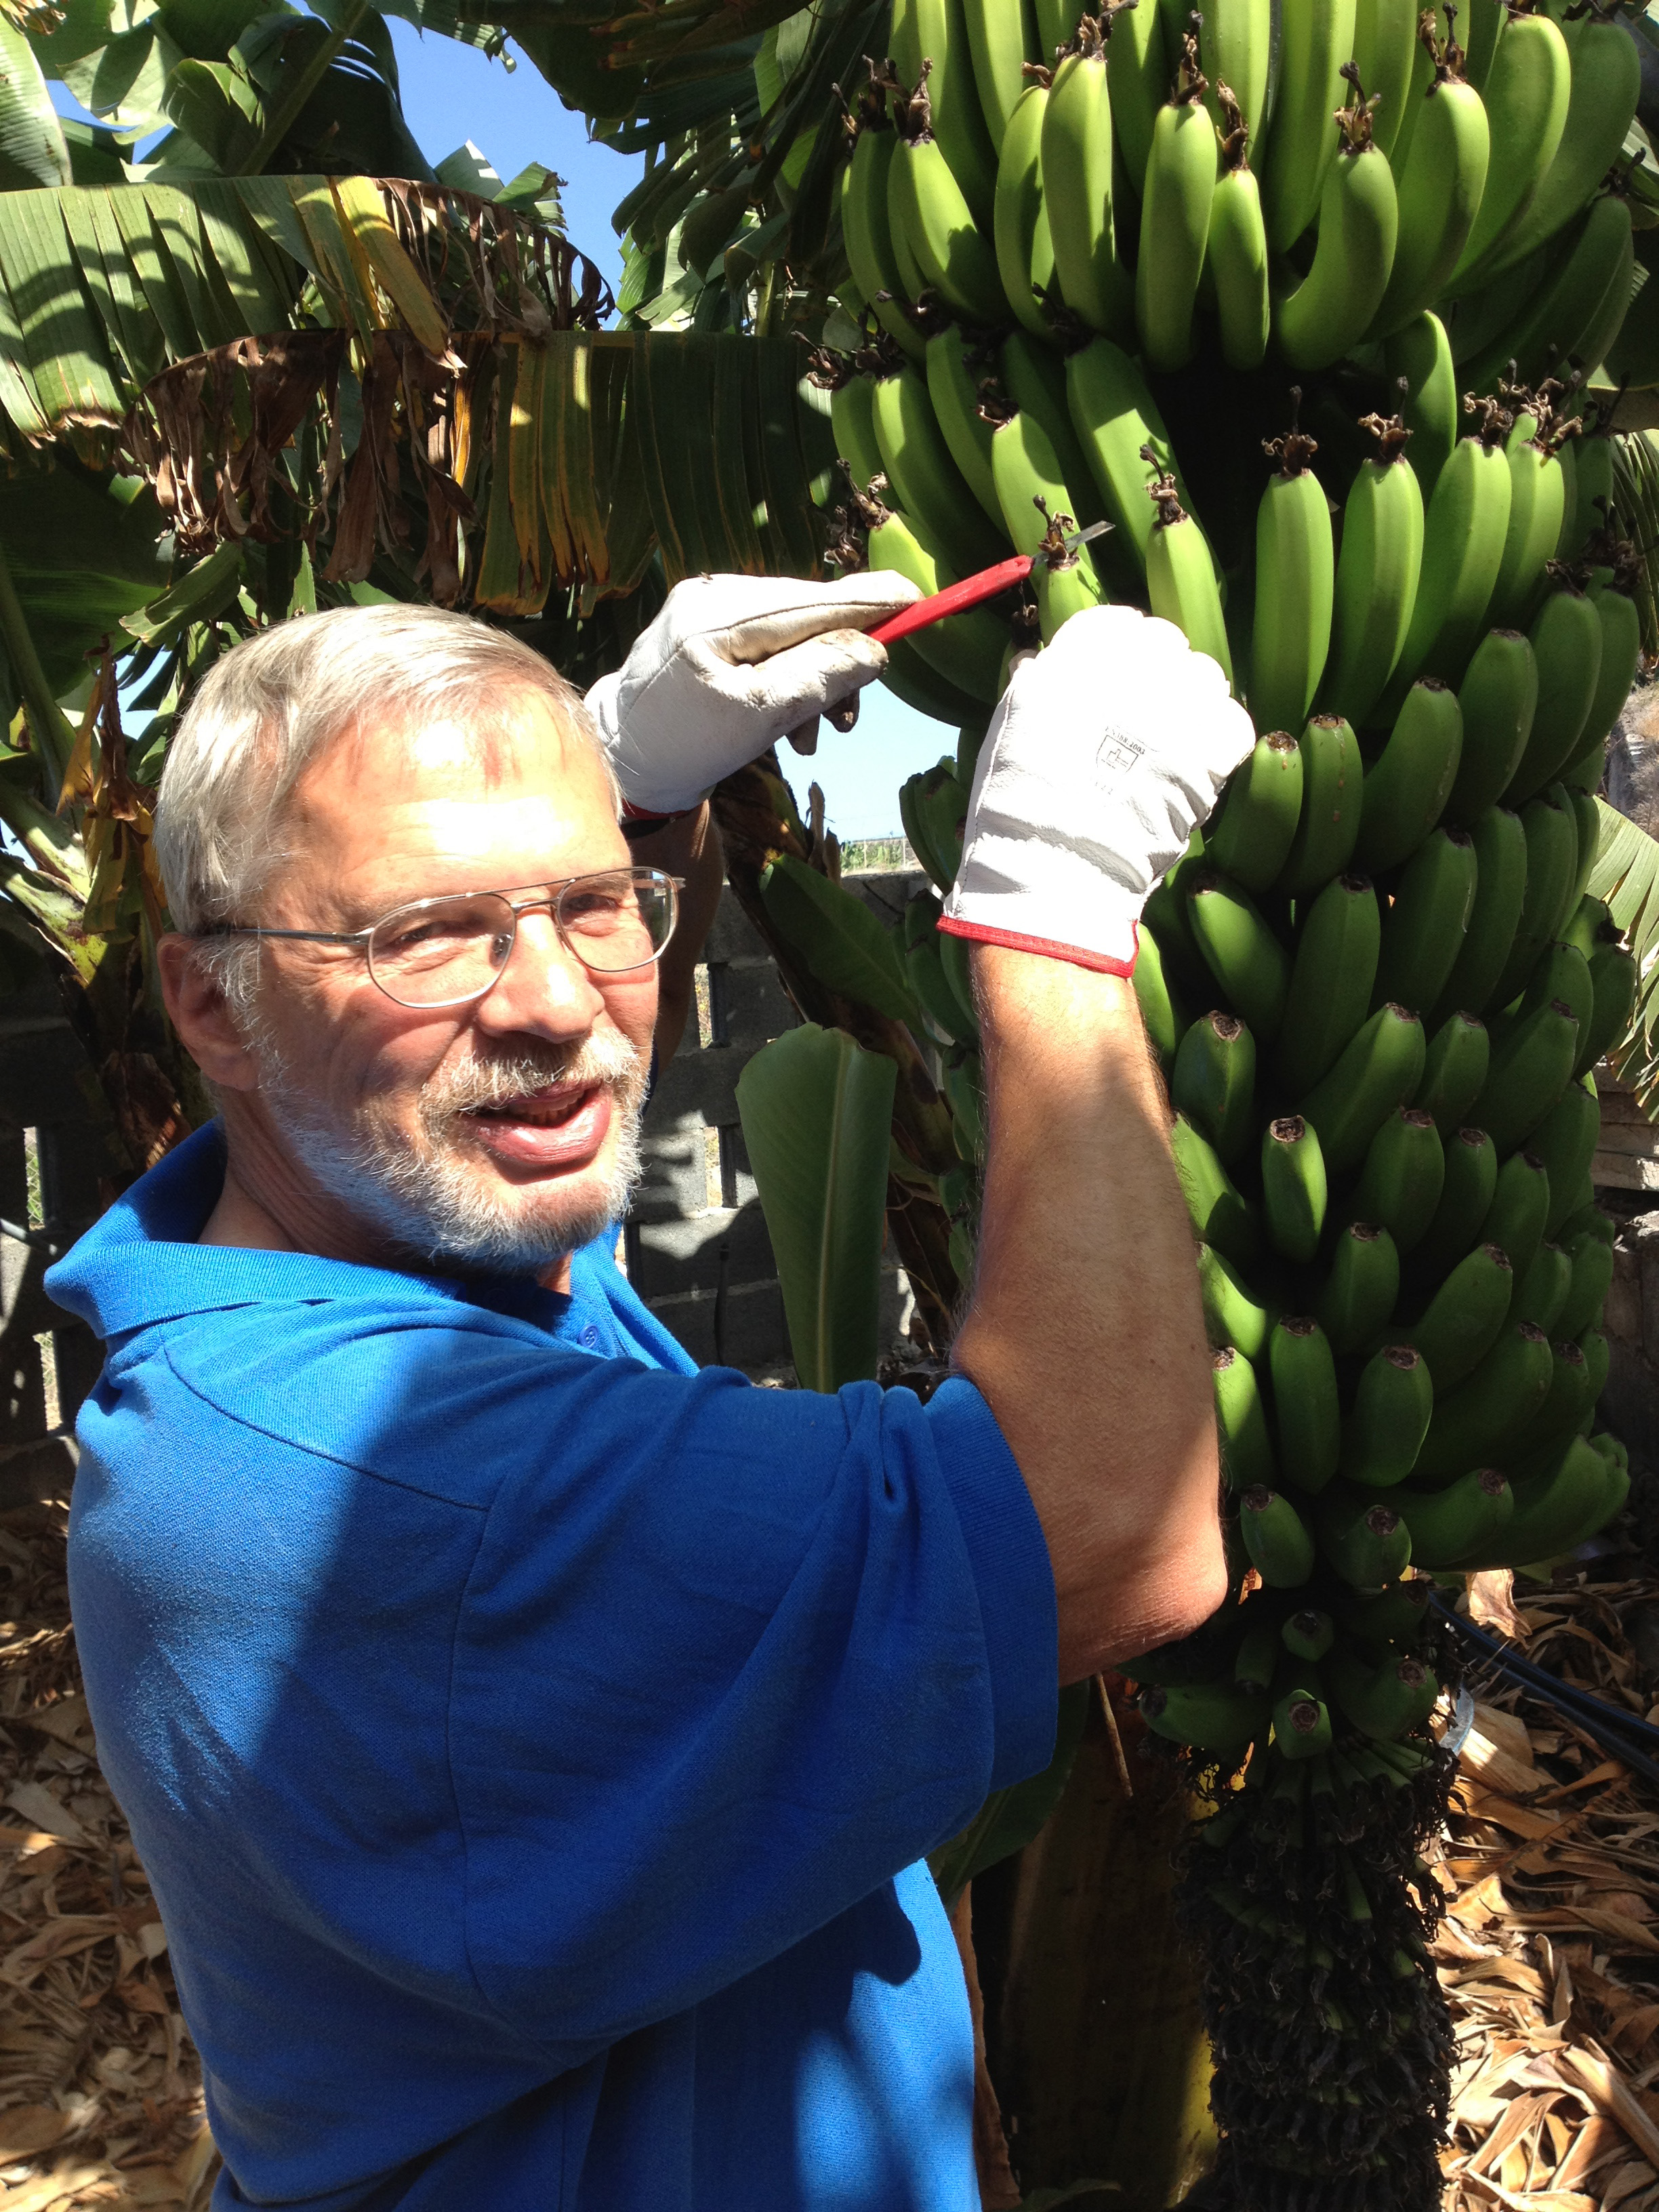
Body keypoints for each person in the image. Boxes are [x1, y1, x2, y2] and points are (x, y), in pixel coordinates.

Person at [47, 575, 1253, 2211]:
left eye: (594, 904)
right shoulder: (393, 1488)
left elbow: (483, 1050)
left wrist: (615, 764)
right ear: (209, 1003)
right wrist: (1054, 908)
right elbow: (1120, 1527)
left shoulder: (352, 1248)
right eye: (425, 934)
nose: (554, 1004)